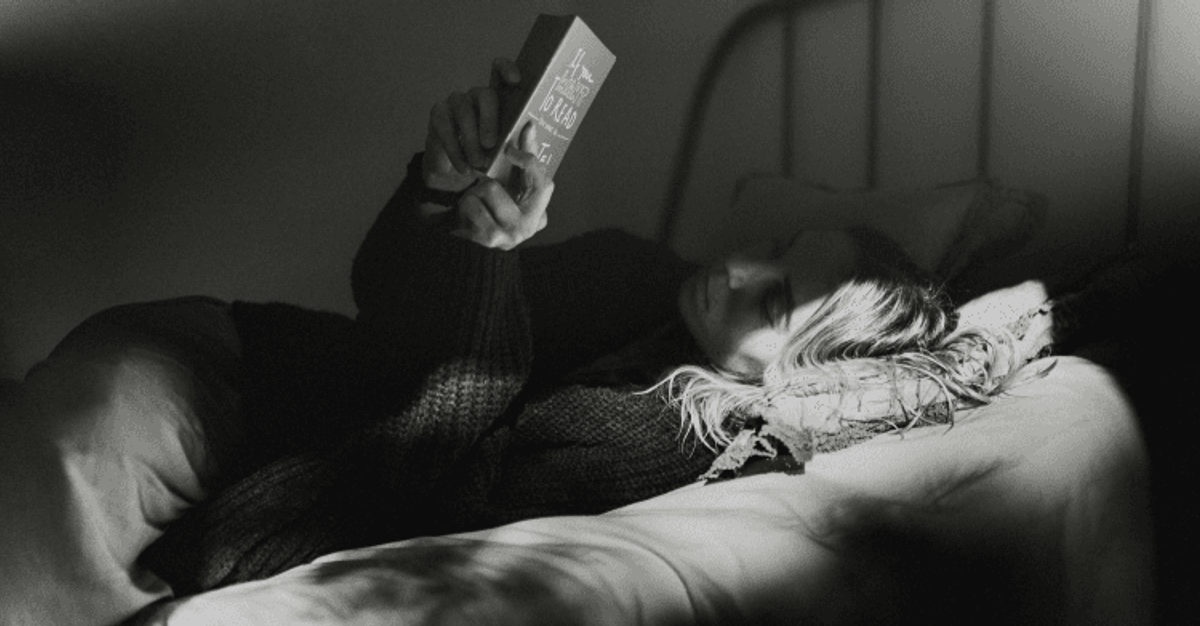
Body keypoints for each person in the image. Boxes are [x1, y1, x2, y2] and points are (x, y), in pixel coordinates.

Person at [135, 57, 1017, 593]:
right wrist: (440, 189)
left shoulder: (667, 426)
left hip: (247, 428)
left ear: (800, 373)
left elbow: (444, 475)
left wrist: (488, 267)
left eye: (773, 300)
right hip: (237, 359)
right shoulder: (634, 269)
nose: (739, 268)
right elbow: (388, 303)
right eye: (775, 245)